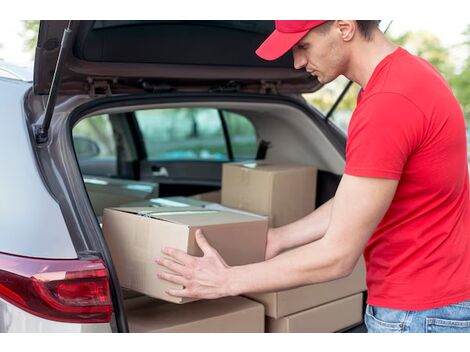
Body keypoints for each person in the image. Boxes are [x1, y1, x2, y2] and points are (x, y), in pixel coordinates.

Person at [156, 20, 470, 333]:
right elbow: (356, 200)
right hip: (441, 297)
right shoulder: (411, 74)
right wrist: (279, 239)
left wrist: (226, 280)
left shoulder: (387, 104)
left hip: (419, 313)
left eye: (303, 46)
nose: (297, 62)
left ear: (344, 28)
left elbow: (337, 257)